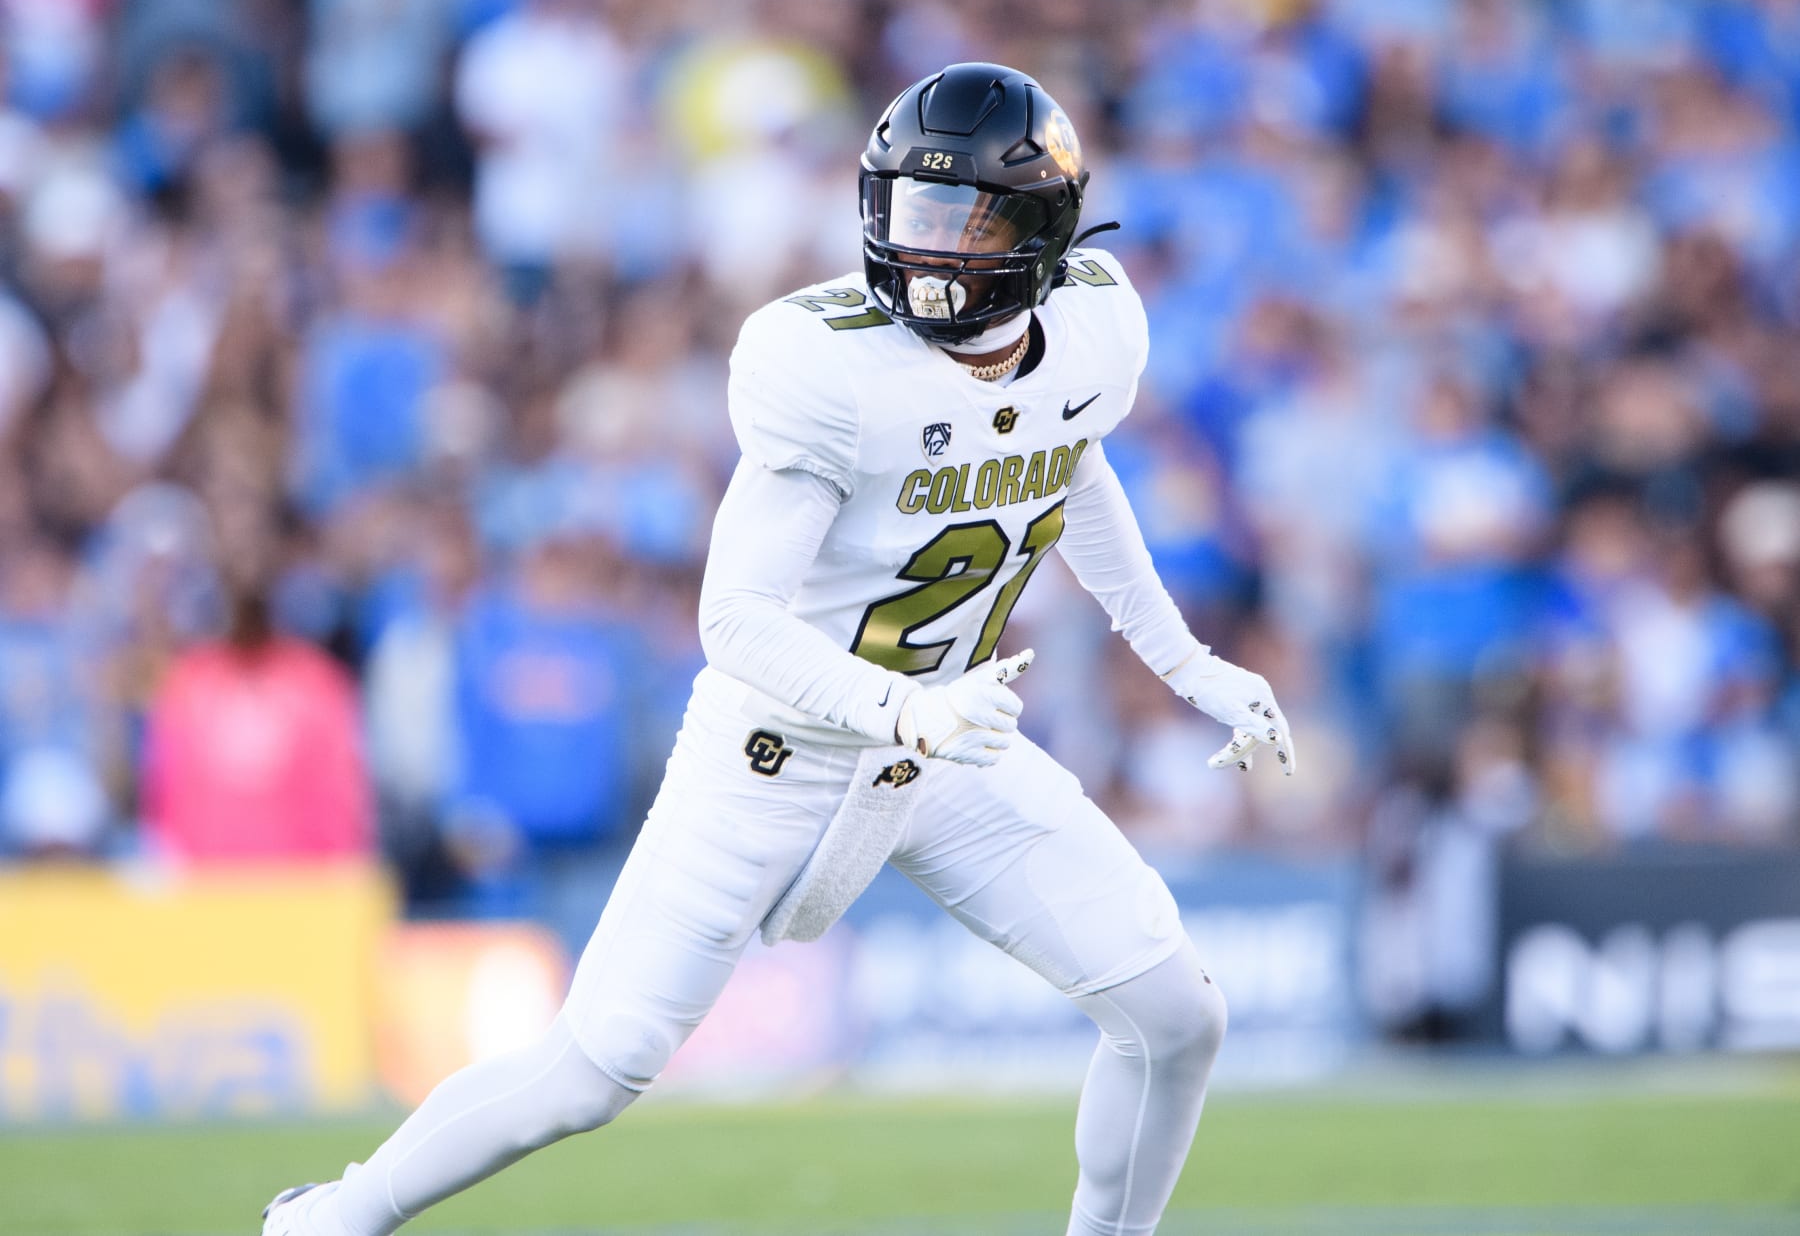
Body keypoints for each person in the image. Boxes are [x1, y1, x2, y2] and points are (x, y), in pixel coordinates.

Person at [263, 62, 1296, 1236]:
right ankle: (329, 1219)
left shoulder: (1093, 332)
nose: (929, 247)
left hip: (944, 745)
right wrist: (908, 711)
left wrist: (1190, 666)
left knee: (1177, 1015)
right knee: (591, 1072)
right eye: (912, 209)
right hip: (779, 748)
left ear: (1042, 231)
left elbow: (1072, 463)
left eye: (965, 218)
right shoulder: (830, 368)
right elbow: (735, 623)